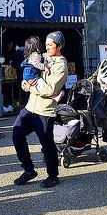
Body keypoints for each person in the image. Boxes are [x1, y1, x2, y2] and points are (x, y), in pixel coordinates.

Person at [12, 31, 68, 188]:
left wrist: (31, 86)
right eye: (47, 44)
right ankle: (29, 170)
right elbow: (28, 75)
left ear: (59, 46)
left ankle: (53, 175)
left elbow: (51, 90)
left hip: (46, 110)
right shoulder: (43, 56)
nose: (47, 47)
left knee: (47, 144)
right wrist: (25, 83)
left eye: (51, 45)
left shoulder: (61, 65)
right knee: (17, 134)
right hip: (30, 107)